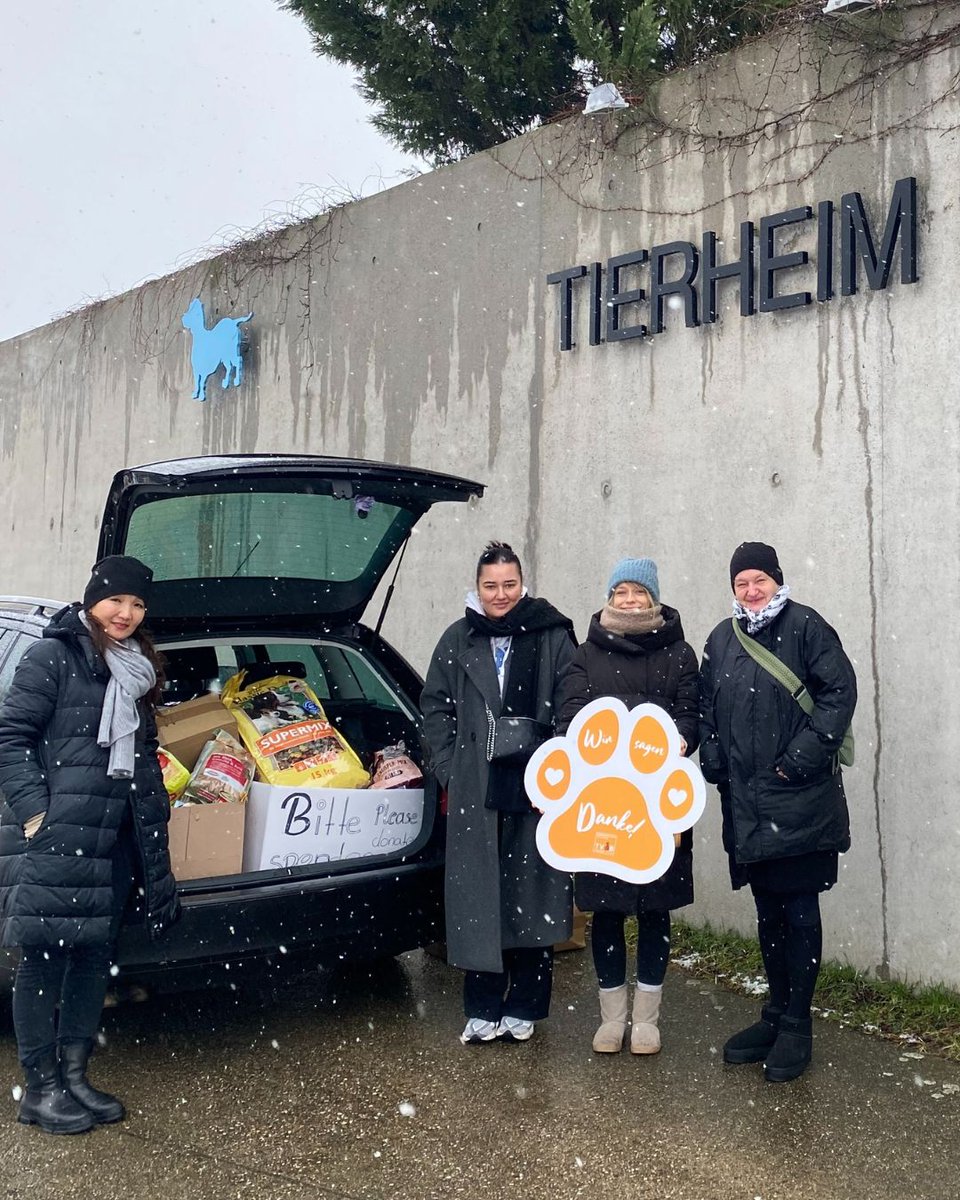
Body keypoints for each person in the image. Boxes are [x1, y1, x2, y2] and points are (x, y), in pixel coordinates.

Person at [0, 555, 180, 1134]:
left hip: (118, 835)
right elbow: (10, 737)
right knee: (45, 956)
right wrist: (36, 814)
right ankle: (40, 1088)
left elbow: (142, 752)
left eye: (137, 604)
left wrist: (152, 816)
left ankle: (75, 1076)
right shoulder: (53, 656)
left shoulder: (136, 666)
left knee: (93, 956)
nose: (126, 613)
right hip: (62, 834)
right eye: (116, 600)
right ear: (92, 600)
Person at [699, 542, 856, 1083]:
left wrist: (799, 760)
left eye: (759, 580)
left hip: (800, 797)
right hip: (747, 805)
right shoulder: (722, 639)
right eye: (741, 582)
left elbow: (839, 694)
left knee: (800, 909)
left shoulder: (806, 626)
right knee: (768, 911)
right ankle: (775, 1013)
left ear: (777, 580)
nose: (751, 591)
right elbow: (706, 705)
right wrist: (712, 751)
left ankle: (797, 1024)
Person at [421, 541, 576, 1045]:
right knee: (480, 900)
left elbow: (574, 703)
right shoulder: (457, 637)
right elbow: (435, 708)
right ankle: (482, 1006)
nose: (500, 594)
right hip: (477, 786)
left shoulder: (551, 634)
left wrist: (559, 765)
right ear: (477, 586)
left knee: (532, 897)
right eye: (491, 585)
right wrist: (451, 769)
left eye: (509, 584)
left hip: (537, 785)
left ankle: (526, 1005)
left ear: (522, 583)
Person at [557, 557, 699, 1056]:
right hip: (603, 805)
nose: (631, 600)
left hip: (659, 803)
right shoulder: (586, 654)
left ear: (654, 597)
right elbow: (570, 718)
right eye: (622, 592)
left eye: (640, 592)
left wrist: (679, 740)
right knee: (607, 912)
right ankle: (612, 1019)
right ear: (610, 597)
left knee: (656, 910)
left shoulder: (680, 653)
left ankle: (647, 1021)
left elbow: (691, 714)